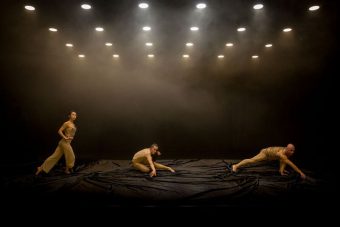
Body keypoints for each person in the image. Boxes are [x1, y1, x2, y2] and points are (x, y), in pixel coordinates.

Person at [35, 111, 77, 175]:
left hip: (65, 143)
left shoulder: (73, 124)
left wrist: (71, 137)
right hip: (64, 143)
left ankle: (40, 168)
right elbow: (59, 131)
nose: (74, 116)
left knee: (54, 157)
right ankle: (67, 169)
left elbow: (71, 133)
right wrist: (65, 137)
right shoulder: (66, 123)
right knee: (71, 156)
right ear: (69, 116)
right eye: (73, 114)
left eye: (75, 115)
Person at [231, 144, 306, 179]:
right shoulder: (282, 154)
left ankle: (281, 171)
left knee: (283, 161)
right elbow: (290, 163)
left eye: (293, 150)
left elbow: (283, 161)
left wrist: (281, 170)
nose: (293, 152)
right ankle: (236, 166)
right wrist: (300, 172)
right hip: (265, 153)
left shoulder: (286, 153)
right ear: (287, 149)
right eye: (291, 150)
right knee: (252, 160)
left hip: (270, 155)